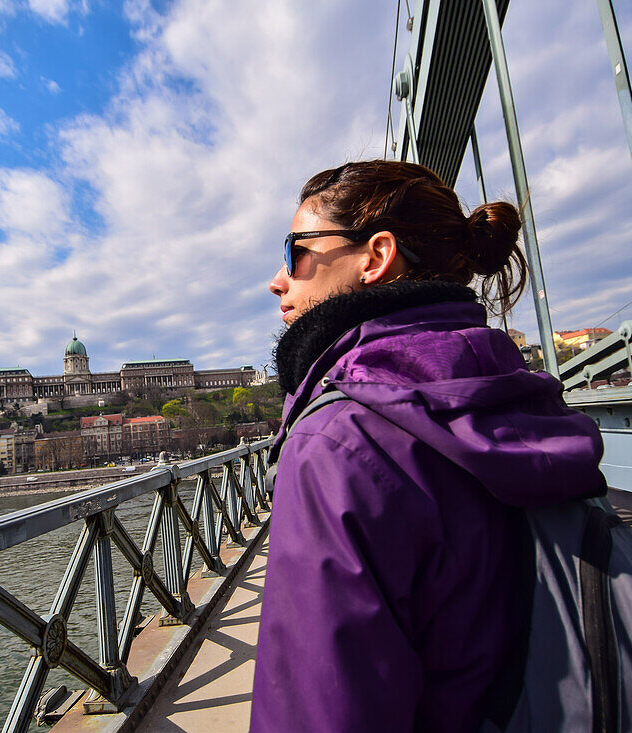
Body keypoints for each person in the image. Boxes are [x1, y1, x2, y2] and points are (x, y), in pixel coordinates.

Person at [251, 160, 607, 731]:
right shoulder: (521, 395)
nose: (277, 279)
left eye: (296, 250)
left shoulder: (336, 442)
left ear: (376, 256)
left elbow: (322, 707)